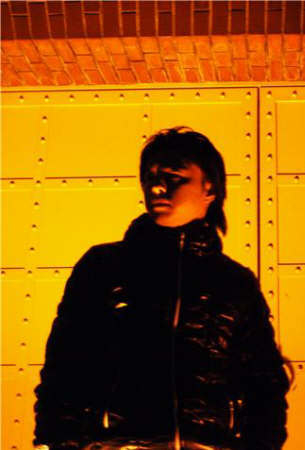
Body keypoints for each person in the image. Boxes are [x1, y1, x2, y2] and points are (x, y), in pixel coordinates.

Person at [34, 127, 289, 450]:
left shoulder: (235, 282)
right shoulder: (103, 266)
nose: (156, 186)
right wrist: (56, 442)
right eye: (150, 176)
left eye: (173, 176)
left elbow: (265, 383)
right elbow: (64, 367)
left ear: (209, 187)